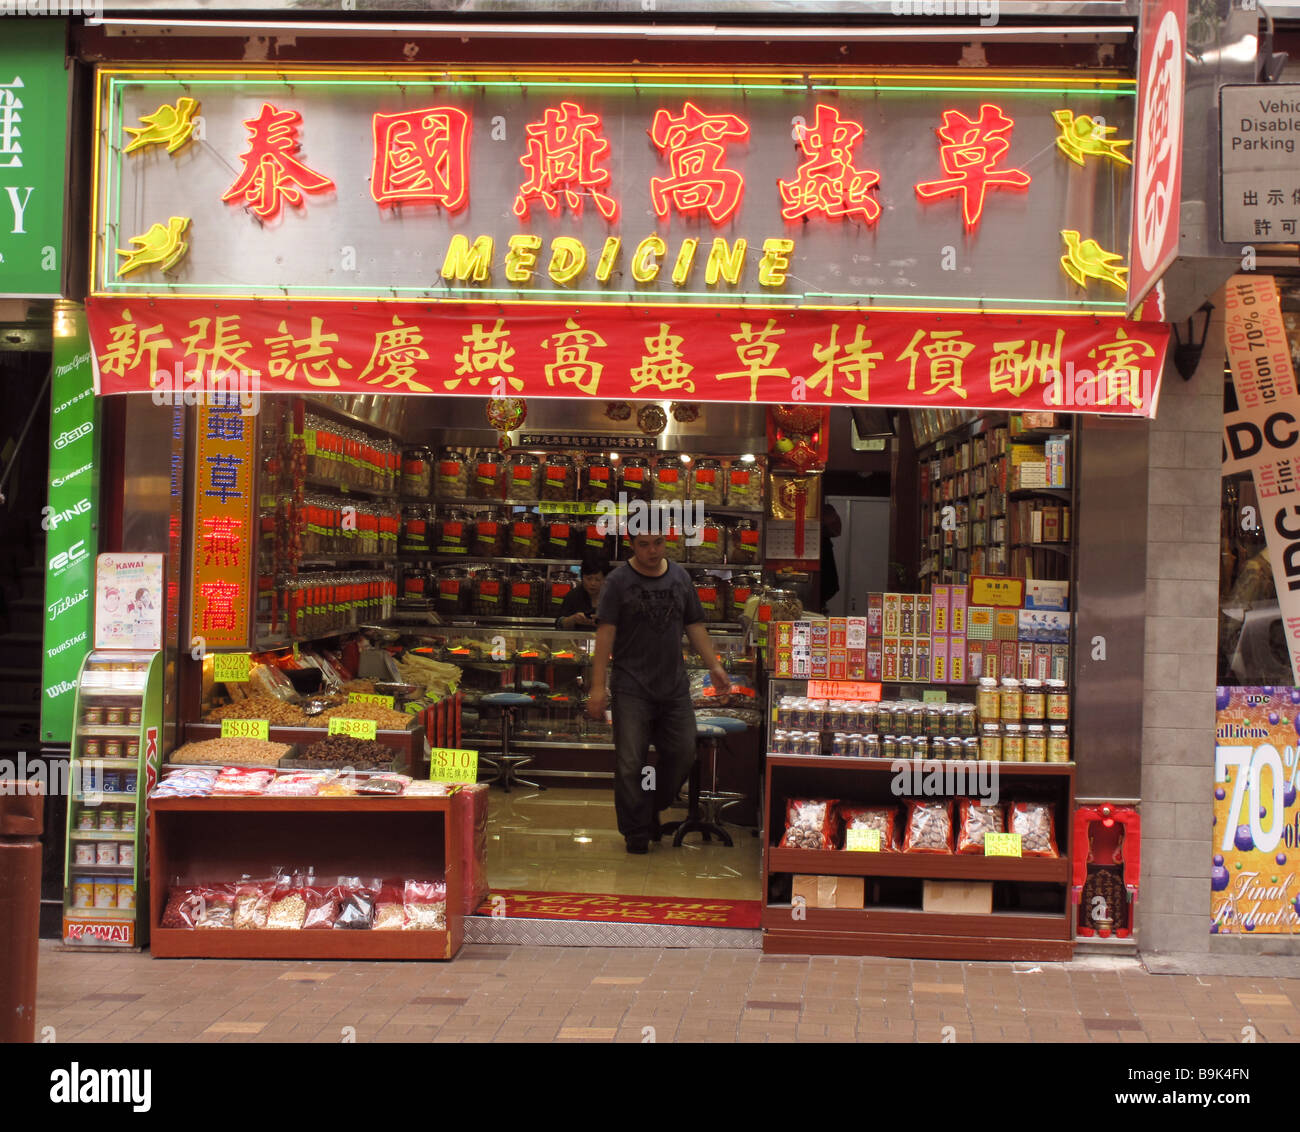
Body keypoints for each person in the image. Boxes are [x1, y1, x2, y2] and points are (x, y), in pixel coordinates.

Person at [587, 533, 731, 854]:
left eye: (658, 543)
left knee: (682, 754)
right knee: (630, 764)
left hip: (674, 688)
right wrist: (598, 686)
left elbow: (694, 625)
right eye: (644, 545)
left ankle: (650, 804)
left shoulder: (680, 577)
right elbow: (605, 635)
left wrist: (715, 667)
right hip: (630, 688)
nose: (652, 551)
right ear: (631, 545)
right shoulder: (617, 582)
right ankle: (636, 830)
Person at [555, 554, 610, 630]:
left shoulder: (614, 597)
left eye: (598, 579)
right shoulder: (573, 595)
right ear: (582, 577)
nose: (593, 583)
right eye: (589, 579)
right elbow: (559, 624)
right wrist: (573, 619)